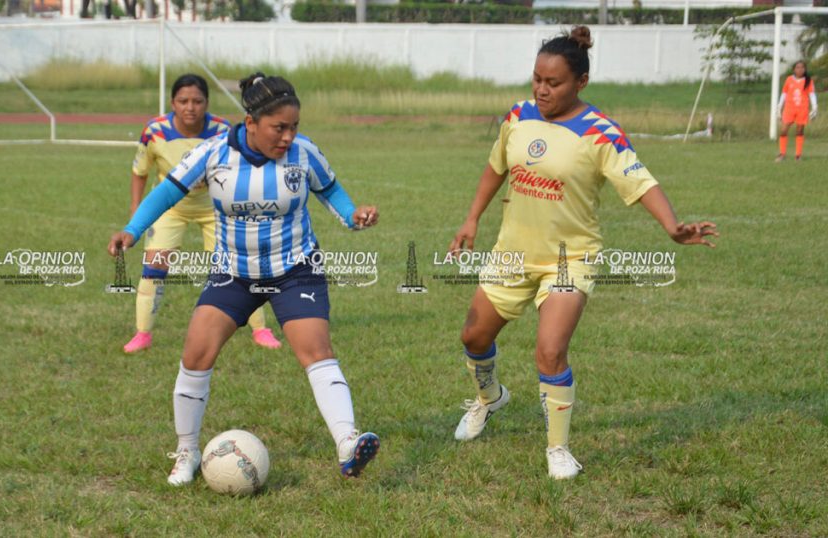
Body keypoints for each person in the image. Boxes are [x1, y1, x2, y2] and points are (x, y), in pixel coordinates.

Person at [448, 26, 718, 480]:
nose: (542, 88)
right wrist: (472, 218)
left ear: (581, 83)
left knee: (550, 352)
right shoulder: (518, 115)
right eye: (537, 78)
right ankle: (489, 398)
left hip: (569, 259)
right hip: (511, 255)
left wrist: (672, 226)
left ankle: (558, 449)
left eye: (553, 82)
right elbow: (496, 168)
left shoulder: (601, 132)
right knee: (473, 338)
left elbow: (642, 181)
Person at [109, 72, 382, 485]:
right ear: (251, 123)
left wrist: (354, 216)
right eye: (279, 128)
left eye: (294, 127)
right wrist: (132, 229)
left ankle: (348, 443)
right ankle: (186, 451)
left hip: (295, 271)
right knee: (196, 354)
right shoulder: (214, 152)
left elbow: (332, 193)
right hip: (234, 274)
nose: (288, 136)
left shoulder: (304, 153)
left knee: (317, 351)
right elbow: (166, 192)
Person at [124, 73, 281, 353]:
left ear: (207, 103)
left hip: (216, 210)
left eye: (197, 101)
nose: (190, 107)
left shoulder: (223, 131)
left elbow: (244, 165)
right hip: (171, 209)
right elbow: (140, 172)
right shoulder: (154, 131)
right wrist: (137, 210)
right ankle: (142, 334)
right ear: (172, 103)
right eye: (183, 101)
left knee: (239, 267)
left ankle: (261, 330)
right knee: (154, 266)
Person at [777, 60, 818, 162]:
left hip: (802, 109)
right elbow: (784, 93)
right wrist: (779, 106)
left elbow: (811, 94)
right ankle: (782, 154)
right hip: (789, 108)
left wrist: (814, 107)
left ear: (805, 69)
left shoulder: (808, 81)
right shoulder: (789, 79)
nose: (800, 69)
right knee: (783, 130)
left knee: (799, 131)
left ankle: (798, 155)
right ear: (794, 69)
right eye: (798, 67)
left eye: (802, 67)